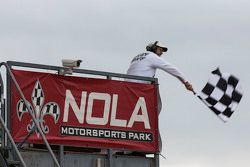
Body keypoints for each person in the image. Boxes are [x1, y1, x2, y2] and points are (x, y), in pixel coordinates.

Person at [126, 41, 194, 153]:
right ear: (154, 48)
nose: (161, 52)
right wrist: (185, 82)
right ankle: (151, 145)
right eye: (160, 49)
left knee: (136, 118)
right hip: (141, 90)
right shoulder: (152, 57)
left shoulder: (137, 57)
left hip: (128, 90)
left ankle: (134, 144)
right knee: (155, 110)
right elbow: (171, 68)